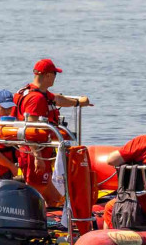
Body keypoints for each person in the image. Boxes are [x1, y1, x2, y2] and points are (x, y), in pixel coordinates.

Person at [14, 59, 92, 205]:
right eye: (55, 74)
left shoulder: (31, 92)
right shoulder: (36, 99)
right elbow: (31, 130)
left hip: (35, 151)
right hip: (35, 153)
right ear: (48, 75)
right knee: (42, 194)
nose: (56, 77)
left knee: (50, 196)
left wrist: (78, 102)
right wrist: (37, 156)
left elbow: (57, 99)